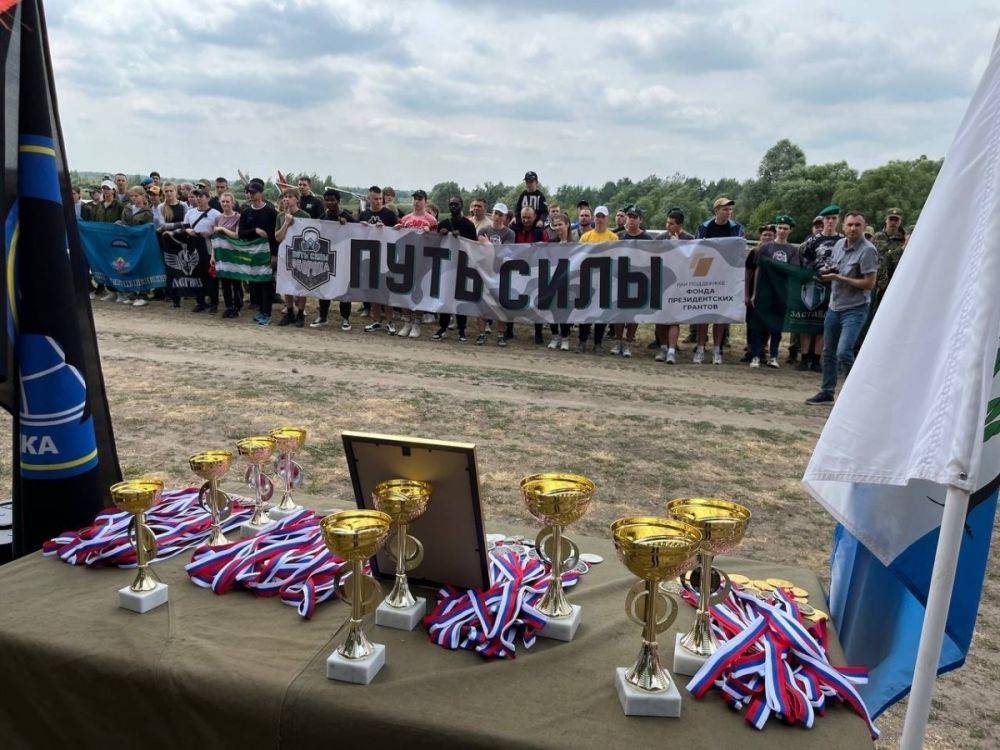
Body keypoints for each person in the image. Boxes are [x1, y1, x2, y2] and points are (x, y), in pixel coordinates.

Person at [806, 212, 878, 405]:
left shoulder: (868, 250)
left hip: (855, 307)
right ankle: (827, 391)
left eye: (857, 225)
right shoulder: (838, 245)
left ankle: (854, 393)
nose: (853, 228)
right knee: (828, 351)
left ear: (864, 227)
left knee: (844, 351)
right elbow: (835, 267)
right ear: (844, 227)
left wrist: (839, 278)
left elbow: (869, 283)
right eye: (850, 225)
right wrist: (827, 273)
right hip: (835, 305)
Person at [692, 197, 744, 365]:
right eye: (724, 209)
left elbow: (738, 253)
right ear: (716, 210)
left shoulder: (737, 228)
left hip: (726, 276)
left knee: (720, 315)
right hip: (706, 275)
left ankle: (717, 350)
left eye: (730, 210)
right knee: (703, 313)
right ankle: (700, 348)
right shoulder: (704, 227)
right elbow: (696, 249)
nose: (728, 212)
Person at [748, 216, 799, 368]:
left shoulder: (792, 251)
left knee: (776, 326)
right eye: (780, 227)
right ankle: (756, 355)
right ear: (776, 228)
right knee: (758, 324)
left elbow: (793, 272)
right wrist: (754, 293)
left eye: (785, 228)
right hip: (764, 291)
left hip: (781, 293)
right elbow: (758, 270)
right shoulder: (765, 248)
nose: (782, 231)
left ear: (790, 231)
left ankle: (774, 356)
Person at [797, 204, 843, 372]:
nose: (830, 221)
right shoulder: (812, 241)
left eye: (833, 218)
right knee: (807, 320)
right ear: (822, 221)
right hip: (813, 285)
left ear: (838, 220)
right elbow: (804, 262)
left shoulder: (843, 241)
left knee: (824, 324)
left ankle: (816, 359)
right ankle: (804, 358)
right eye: (827, 219)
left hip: (835, 286)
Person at [498, 204, 547, 346]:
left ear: (534, 217)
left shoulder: (540, 231)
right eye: (524, 217)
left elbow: (546, 249)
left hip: (534, 269)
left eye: (529, 217)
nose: (526, 220)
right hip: (516, 269)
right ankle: (509, 330)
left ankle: (538, 332)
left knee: (536, 301)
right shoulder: (514, 229)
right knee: (511, 299)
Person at [654, 207, 696, 362]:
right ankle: (663, 347)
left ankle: (672, 350)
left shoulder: (690, 239)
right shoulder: (659, 239)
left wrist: (677, 246)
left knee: (673, 318)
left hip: (679, 284)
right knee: (660, 318)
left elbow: (691, 262)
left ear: (679, 225)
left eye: (671, 224)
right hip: (661, 283)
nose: (668, 226)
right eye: (667, 223)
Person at [433, 196, 477, 342]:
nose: (453, 207)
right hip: (446, 267)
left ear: (461, 205)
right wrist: (441, 234)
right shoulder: (443, 224)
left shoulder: (468, 225)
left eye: (456, 204)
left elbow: (474, 246)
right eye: (451, 204)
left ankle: (462, 330)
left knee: (460, 299)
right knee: (445, 298)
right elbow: (436, 245)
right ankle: (443, 327)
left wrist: (462, 237)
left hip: (463, 267)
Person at [312, 188, 357, 331]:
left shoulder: (347, 217)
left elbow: (357, 233)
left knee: (344, 289)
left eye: (332, 200)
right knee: (324, 287)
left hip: (344, 259)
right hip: (326, 258)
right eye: (327, 200)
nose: (330, 203)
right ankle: (323, 316)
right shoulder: (323, 217)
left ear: (338, 201)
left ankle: (345, 318)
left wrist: (347, 226)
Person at [395, 189, 438, 339]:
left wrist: (430, 232)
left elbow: (438, 241)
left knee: (418, 291)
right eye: (415, 198)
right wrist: (396, 229)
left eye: (420, 199)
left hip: (423, 260)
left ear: (425, 201)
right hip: (406, 259)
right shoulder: (405, 218)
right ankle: (407, 322)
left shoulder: (431, 220)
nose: (417, 201)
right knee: (404, 290)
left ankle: (417, 323)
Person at [611, 205, 651, 357]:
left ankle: (628, 342)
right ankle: (618, 340)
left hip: (639, 280)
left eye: (635, 217)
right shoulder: (620, 237)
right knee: (619, 312)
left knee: (634, 314)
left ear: (640, 220)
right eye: (629, 217)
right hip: (621, 278)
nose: (631, 220)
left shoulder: (647, 239)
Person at [577, 205, 618, 353]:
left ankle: (598, 343)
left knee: (602, 313)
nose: (600, 219)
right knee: (585, 312)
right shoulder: (586, 237)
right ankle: (582, 341)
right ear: (594, 218)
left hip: (605, 280)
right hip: (588, 279)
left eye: (602, 216)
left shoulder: (613, 238)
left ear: (607, 218)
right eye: (597, 216)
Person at [238, 178, 279, 325]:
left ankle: (267, 313)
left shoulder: (270, 211)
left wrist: (274, 255)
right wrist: (255, 231)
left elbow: (276, 236)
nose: (251, 195)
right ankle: (261, 311)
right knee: (255, 284)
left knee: (266, 283)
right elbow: (241, 233)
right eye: (249, 192)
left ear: (261, 193)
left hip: (267, 253)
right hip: (252, 253)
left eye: (253, 192)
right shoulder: (246, 211)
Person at [359, 186, 399, 334]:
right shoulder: (364, 214)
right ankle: (376, 320)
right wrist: (360, 226)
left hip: (385, 257)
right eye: (374, 198)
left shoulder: (388, 214)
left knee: (385, 291)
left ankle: (390, 321)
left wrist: (386, 229)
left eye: (379, 198)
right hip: (368, 258)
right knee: (372, 291)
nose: (378, 201)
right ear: (368, 199)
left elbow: (396, 234)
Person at [475, 203, 514, 345]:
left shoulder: (510, 233)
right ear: (492, 214)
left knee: (501, 304)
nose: (497, 217)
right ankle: (481, 333)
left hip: (501, 272)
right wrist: (491, 248)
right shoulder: (483, 230)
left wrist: (489, 245)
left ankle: (500, 335)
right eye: (495, 213)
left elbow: (504, 253)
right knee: (482, 303)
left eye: (500, 214)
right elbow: (482, 251)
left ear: (505, 217)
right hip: (485, 270)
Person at [274, 188, 312, 327]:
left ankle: (300, 313)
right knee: (286, 284)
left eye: (290, 196)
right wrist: (286, 223)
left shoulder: (305, 215)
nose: (286, 199)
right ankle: (290, 311)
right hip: (285, 254)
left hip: (301, 255)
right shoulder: (280, 216)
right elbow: (278, 237)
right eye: (285, 196)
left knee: (301, 284)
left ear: (297, 199)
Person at [184, 188, 221, 313]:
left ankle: (214, 303)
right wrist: (189, 231)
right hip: (194, 246)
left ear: (208, 198)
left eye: (201, 196)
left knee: (210, 276)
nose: (198, 198)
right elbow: (185, 226)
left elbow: (219, 233)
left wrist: (209, 235)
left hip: (209, 247)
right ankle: (200, 301)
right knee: (196, 274)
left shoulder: (216, 214)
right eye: (197, 196)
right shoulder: (190, 213)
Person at [543, 213, 573, 351]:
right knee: (553, 311)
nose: (557, 227)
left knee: (565, 311)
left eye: (560, 224)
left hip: (569, 281)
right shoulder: (550, 244)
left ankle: (565, 337)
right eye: (555, 225)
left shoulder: (575, 244)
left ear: (567, 225)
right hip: (552, 280)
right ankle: (555, 336)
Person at [211, 192, 244, 318]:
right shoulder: (218, 218)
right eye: (223, 201)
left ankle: (237, 307)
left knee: (236, 282)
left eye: (227, 201)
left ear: (233, 203)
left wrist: (223, 229)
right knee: (225, 283)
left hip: (235, 254)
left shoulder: (238, 217)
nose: (225, 204)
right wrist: (213, 256)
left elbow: (237, 235)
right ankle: (228, 306)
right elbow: (215, 239)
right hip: (222, 255)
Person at [873, 207, 907, 308]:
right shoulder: (877, 237)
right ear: (886, 220)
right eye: (891, 219)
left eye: (896, 220)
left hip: (895, 281)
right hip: (877, 281)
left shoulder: (904, 239)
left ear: (900, 221)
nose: (893, 222)